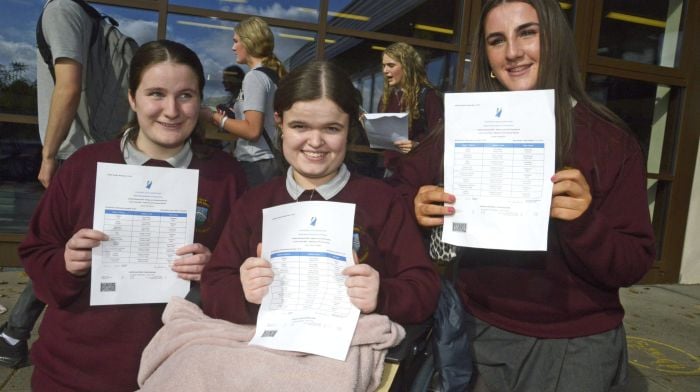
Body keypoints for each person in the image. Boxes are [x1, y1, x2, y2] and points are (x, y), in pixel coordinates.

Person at [392, 1, 656, 390]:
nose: (513, 52)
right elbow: (392, 198)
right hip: (474, 329)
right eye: (497, 40)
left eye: (527, 33)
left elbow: (634, 264)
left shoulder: (608, 140)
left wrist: (586, 224)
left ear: (555, 39)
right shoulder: (464, 126)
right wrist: (413, 206)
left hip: (575, 346)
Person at [17, 39, 246, 391]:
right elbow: (36, 252)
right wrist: (66, 262)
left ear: (200, 101)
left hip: (181, 372)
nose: (171, 110)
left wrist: (214, 269)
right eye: (156, 93)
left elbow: (245, 274)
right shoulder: (84, 166)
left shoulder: (226, 177)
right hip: (74, 372)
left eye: (185, 95)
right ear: (132, 98)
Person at [201, 60, 440, 326]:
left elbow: (424, 289)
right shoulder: (254, 203)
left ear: (350, 127)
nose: (315, 142)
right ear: (279, 122)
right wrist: (242, 292)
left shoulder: (382, 202)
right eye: (300, 126)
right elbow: (213, 286)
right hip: (265, 358)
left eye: (331, 128)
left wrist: (382, 295)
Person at [0, 0, 133, 368]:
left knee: (56, 249)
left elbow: (68, 86)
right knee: (71, 248)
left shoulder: (61, 10)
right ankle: (17, 333)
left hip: (74, 153)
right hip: (92, 150)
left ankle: (16, 334)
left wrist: (48, 154)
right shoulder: (88, 17)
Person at [201, 16, 287, 187]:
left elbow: (252, 131)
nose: (233, 47)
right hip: (267, 162)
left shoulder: (254, 77)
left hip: (257, 164)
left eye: (236, 41)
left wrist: (214, 117)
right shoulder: (271, 76)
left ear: (249, 42)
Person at [378, 42, 443, 175]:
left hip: (417, 170)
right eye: (384, 65)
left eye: (391, 65)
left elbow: (439, 140)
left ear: (407, 66)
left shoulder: (428, 96)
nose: (385, 70)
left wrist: (416, 145)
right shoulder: (386, 97)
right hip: (391, 169)